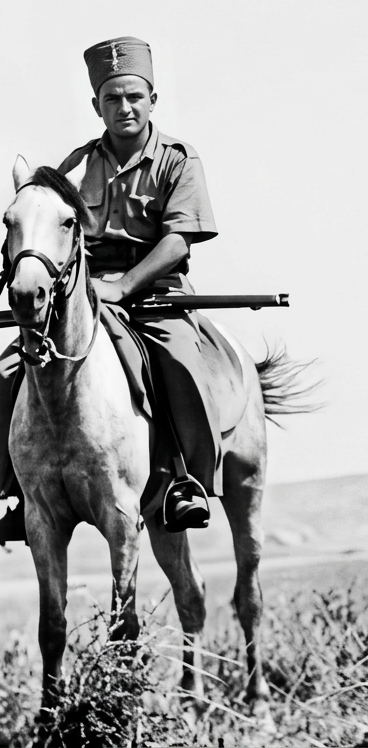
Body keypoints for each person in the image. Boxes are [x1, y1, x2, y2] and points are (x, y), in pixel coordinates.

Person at [0, 36, 219, 544]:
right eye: (112, 98)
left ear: (152, 100)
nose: (124, 107)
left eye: (134, 97)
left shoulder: (178, 160)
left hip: (156, 291)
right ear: (96, 105)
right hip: (83, 295)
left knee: (181, 360)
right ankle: (16, 491)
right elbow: (48, 227)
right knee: (10, 368)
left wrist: (124, 285)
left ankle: (186, 481)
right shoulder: (76, 165)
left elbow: (179, 240)